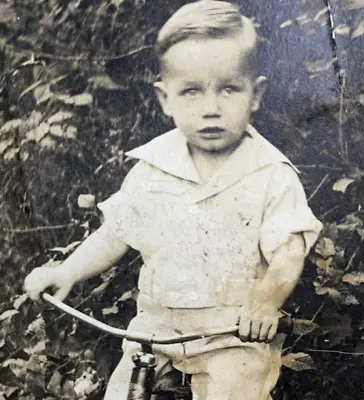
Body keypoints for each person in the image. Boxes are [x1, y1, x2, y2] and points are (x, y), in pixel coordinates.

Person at [24, 2, 323, 399]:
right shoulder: (153, 167)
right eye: (191, 92)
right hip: (156, 327)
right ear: (165, 99)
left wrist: (265, 304)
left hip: (229, 334)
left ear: (256, 94)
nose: (211, 108)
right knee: (124, 392)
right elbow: (116, 234)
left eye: (229, 88)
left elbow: (288, 252)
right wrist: (67, 271)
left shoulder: (269, 174)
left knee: (236, 387)